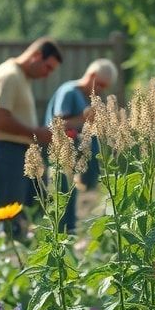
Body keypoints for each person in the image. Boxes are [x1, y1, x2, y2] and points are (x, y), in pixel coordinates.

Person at [0, 38, 62, 214]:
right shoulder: (10, 76)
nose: (47, 74)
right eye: (47, 67)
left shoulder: (20, 77)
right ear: (37, 55)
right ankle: (9, 241)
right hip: (7, 153)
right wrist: (37, 134)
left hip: (16, 153)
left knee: (34, 213)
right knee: (10, 220)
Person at [43, 58, 118, 233]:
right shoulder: (69, 91)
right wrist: (86, 118)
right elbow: (58, 123)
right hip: (61, 158)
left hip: (72, 163)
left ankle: (69, 239)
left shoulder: (84, 96)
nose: (100, 90)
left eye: (104, 87)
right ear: (91, 75)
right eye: (99, 84)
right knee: (61, 202)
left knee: (69, 202)